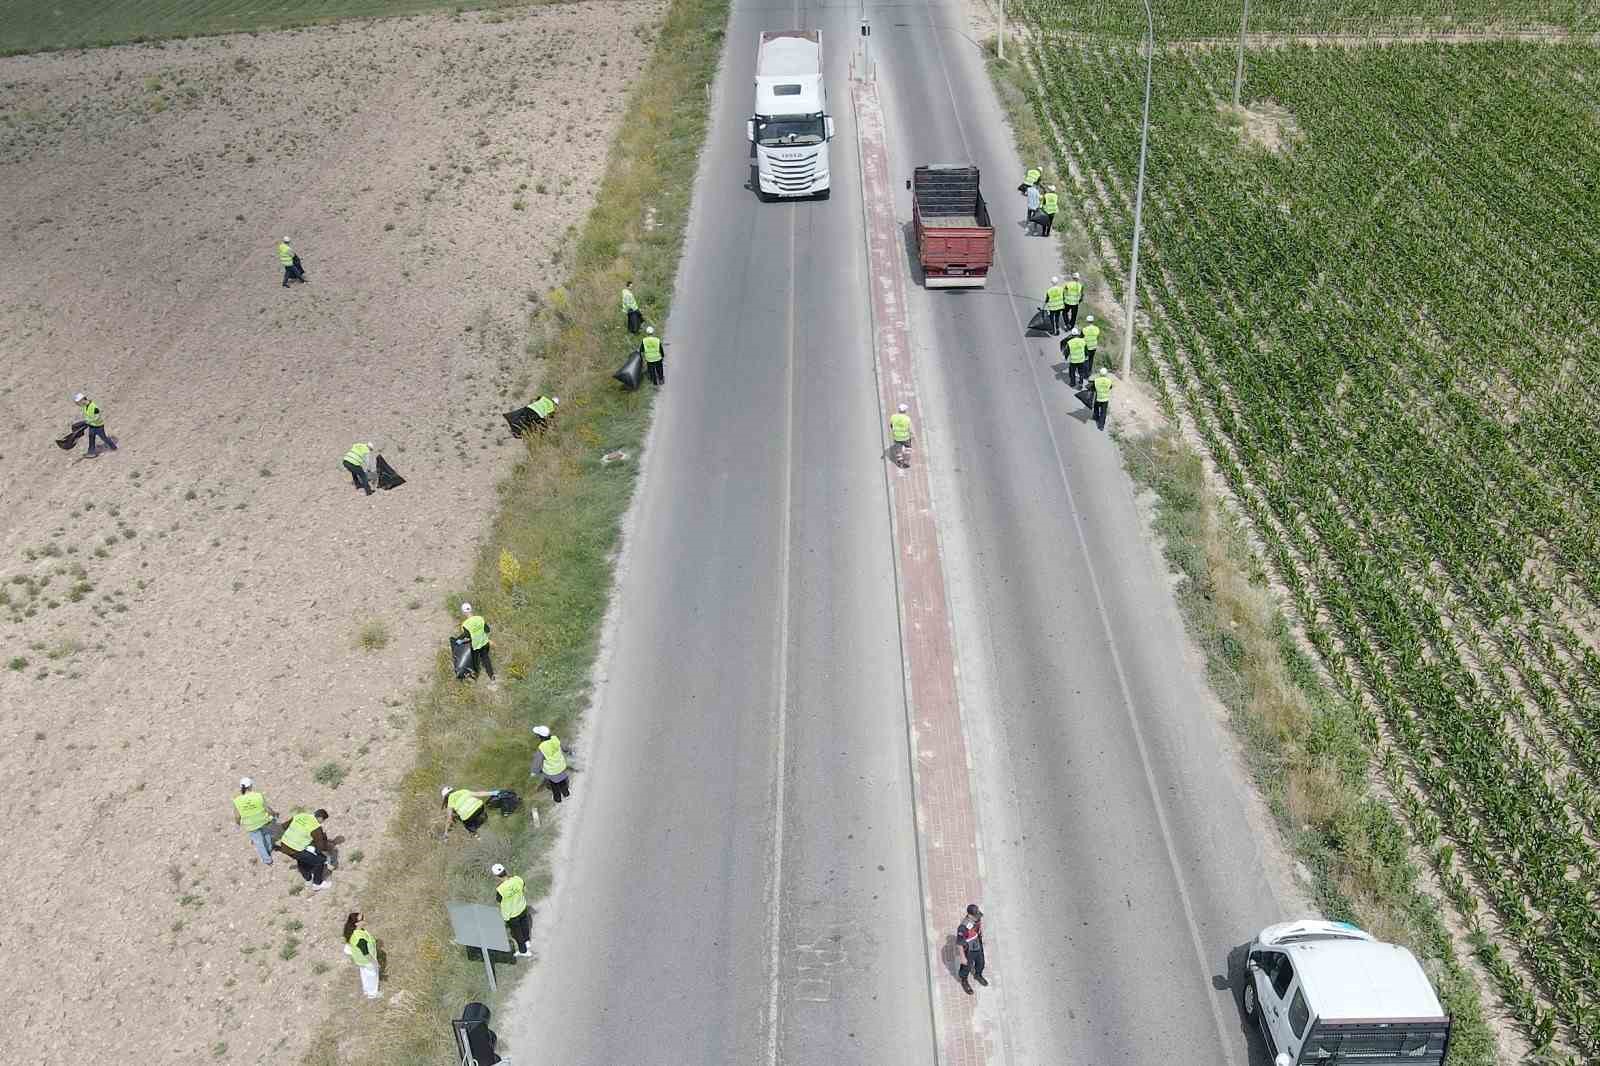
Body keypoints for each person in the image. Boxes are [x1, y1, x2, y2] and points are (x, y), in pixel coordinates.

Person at [277, 808, 333, 889]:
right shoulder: (315, 826)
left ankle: (308, 879)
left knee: (302, 859)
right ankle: (317, 884)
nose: (322, 822)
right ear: (320, 818)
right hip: (295, 848)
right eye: (323, 820)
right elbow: (320, 846)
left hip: (284, 845)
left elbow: (284, 826)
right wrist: (323, 854)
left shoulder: (300, 815)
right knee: (319, 861)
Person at [232, 777, 277, 866]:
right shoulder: (258, 796)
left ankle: (267, 860)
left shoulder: (237, 801)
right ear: (251, 786)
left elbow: (237, 816)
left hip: (251, 825)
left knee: (258, 842)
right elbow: (267, 809)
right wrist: (273, 814)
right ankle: (269, 849)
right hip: (264, 821)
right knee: (267, 836)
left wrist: (238, 823)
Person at [492, 864, 533, 957]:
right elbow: (524, 888)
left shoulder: (500, 889)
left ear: (496, 876)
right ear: (505, 871)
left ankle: (524, 951)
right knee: (524, 925)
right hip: (522, 908)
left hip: (511, 914)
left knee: (517, 933)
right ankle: (527, 941)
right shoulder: (517, 879)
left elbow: (499, 901)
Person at [528, 725, 572, 803]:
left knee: (554, 785)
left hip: (552, 771)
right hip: (561, 766)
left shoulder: (542, 747)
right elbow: (564, 747)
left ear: (540, 736)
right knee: (562, 781)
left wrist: (534, 772)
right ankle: (566, 793)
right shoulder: (555, 739)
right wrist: (568, 751)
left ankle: (557, 798)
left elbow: (537, 761)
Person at [343, 912, 381, 1000]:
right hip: (367, 961)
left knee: (364, 974)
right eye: (362, 919)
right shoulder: (360, 938)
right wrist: (375, 963)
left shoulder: (353, 932)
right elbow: (366, 953)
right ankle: (373, 994)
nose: (365, 919)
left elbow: (347, 948)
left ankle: (366, 990)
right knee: (373, 976)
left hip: (360, 961)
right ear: (356, 923)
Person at [73, 392, 118, 457]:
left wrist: (89, 421)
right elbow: (87, 415)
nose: (78, 404)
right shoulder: (84, 407)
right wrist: (88, 422)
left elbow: (97, 417)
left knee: (104, 438)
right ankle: (91, 452)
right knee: (91, 437)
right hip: (92, 425)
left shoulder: (94, 407)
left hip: (98, 426)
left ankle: (114, 447)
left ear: (82, 400)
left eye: (78, 402)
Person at [459, 603, 495, 681]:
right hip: (485, 643)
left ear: (463, 612)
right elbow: (487, 630)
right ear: (471, 609)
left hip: (475, 646)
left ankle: (475, 676)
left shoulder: (465, 624)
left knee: (475, 661)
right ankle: (491, 675)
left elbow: (467, 636)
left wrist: (459, 640)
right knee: (486, 659)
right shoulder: (480, 618)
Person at [956, 903, 987, 994]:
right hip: (968, 950)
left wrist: (981, 935)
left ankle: (978, 975)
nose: (978, 917)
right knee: (966, 967)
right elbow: (959, 943)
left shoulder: (977, 918)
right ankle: (964, 980)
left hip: (978, 945)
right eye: (975, 915)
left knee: (981, 963)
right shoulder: (963, 927)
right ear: (969, 915)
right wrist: (962, 957)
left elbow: (978, 928)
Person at [1092, 365, 1116, 431]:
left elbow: (1093, 388)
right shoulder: (1109, 381)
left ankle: (1096, 417)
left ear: (1100, 373)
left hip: (1098, 397)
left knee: (1096, 407)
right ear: (1106, 374)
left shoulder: (1096, 380)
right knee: (1103, 412)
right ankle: (1101, 426)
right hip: (1105, 399)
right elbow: (1110, 387)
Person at [889, 403, 913, 468]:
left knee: (898, 449)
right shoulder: (907, 418)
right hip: (905, 437)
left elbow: (891, 425)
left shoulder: (893, 417)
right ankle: (906, 462)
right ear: (905, 411)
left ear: (899, 410)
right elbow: (910, 429)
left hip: (896, 436)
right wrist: (912, 435)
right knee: (908, 449)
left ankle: (900, 461)